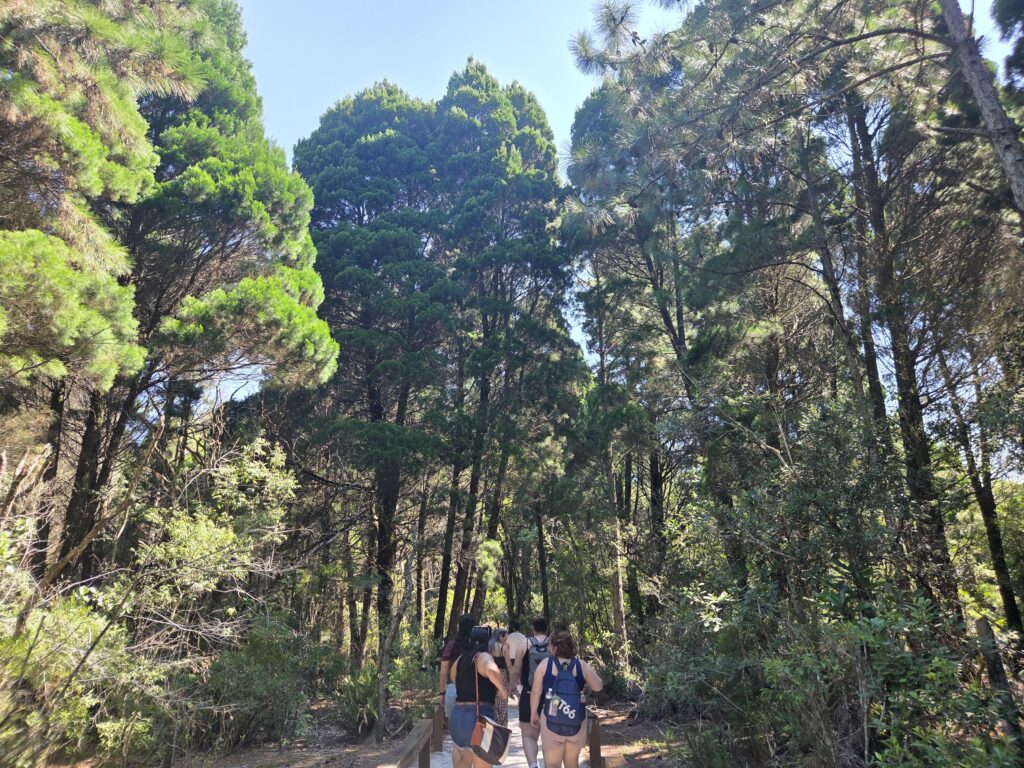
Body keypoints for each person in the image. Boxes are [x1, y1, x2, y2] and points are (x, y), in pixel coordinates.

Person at [530, 630, 603, 768]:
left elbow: (536, 693)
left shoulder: (545, 664)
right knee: (572, 763)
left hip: (551, 720)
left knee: (552, 765)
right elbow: (598, 686)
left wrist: (534, 713)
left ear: (553, 647)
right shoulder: (581, 665)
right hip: (575, 719)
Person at [448, 627, 509, 768]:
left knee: (464, 760)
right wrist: (502, 690)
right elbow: (492, 670)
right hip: (477, 717)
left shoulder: (461, 658)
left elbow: (452, 676)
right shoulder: (482, 657)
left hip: (458, 717)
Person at [517, 616, 552, 768]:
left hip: (529, 693)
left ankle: (533, 765)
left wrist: (512, 686)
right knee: (550, 736)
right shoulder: (554, 644)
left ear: (533, 628)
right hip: (551, 696)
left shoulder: (525, 643)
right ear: (547, 628)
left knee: (528, 735)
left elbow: (516, 670)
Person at [439, 614, 476, 718]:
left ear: (459, 626)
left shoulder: (451, 646)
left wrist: (442, 693)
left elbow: (443, 673)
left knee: (454, 726)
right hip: (473, 692)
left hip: (453, 690)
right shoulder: (477, 647)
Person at [488, 628, 511, 725]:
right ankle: (503, 725)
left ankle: (493, 723)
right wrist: (513, 679)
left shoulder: (489, 647)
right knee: (503, 701)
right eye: (505, 636)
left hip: (490, 674)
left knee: (493, 700)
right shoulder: (504, 648)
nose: (506, 639)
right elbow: (509, 665)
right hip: (502, 675)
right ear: (501, 636)